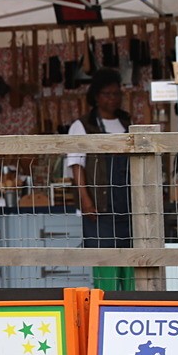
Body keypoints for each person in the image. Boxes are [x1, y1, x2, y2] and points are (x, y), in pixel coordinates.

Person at [64, 67, 135, 290]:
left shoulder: (127, 123)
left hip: (128, 204)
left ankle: (132, 303)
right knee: (105, 259)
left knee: (131, 258)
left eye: (116, 94)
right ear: (96, 96)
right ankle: (107, 305)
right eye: (107, 94)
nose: (113, 98)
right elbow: (76, 164)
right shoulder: (83, 126)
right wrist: (85, 199)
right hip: (100, 206)